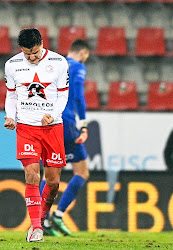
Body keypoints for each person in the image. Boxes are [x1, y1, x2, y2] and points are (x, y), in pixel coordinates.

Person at [4, 28, 69, 242]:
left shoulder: (59, 62)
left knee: (53, 184)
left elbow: (63, 95)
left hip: (53, 127)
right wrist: (10, 116)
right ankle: (36, 228)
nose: (32, 58)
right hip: (26, 127)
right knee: (32, 175)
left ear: (42, 43)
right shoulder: (12, 65)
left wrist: (53, 114)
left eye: (35, 52)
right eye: (27, 54)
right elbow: (11, 95)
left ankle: (40, 219)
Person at [40, 39, 90, 236]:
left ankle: (41, 220)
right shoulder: (77, 67)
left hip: (49, 124)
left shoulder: (53, 65)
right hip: (67, 123)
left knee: (49, 176)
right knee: (82, 172)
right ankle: (58, 215)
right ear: (83, 52)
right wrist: (83, 125)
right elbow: (78, 95)